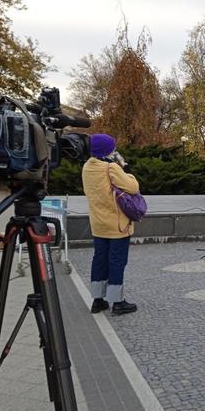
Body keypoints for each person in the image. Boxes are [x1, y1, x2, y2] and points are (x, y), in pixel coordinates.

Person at [82, 134, 139, 315]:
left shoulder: (87, 167)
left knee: (100, 259)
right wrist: (126, 170)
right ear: (108, 150)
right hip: (117, 225)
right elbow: (133, 187)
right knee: (117, 261)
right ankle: (117, 301)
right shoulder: (111, 167)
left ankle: (98, 300)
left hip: (98, 224)